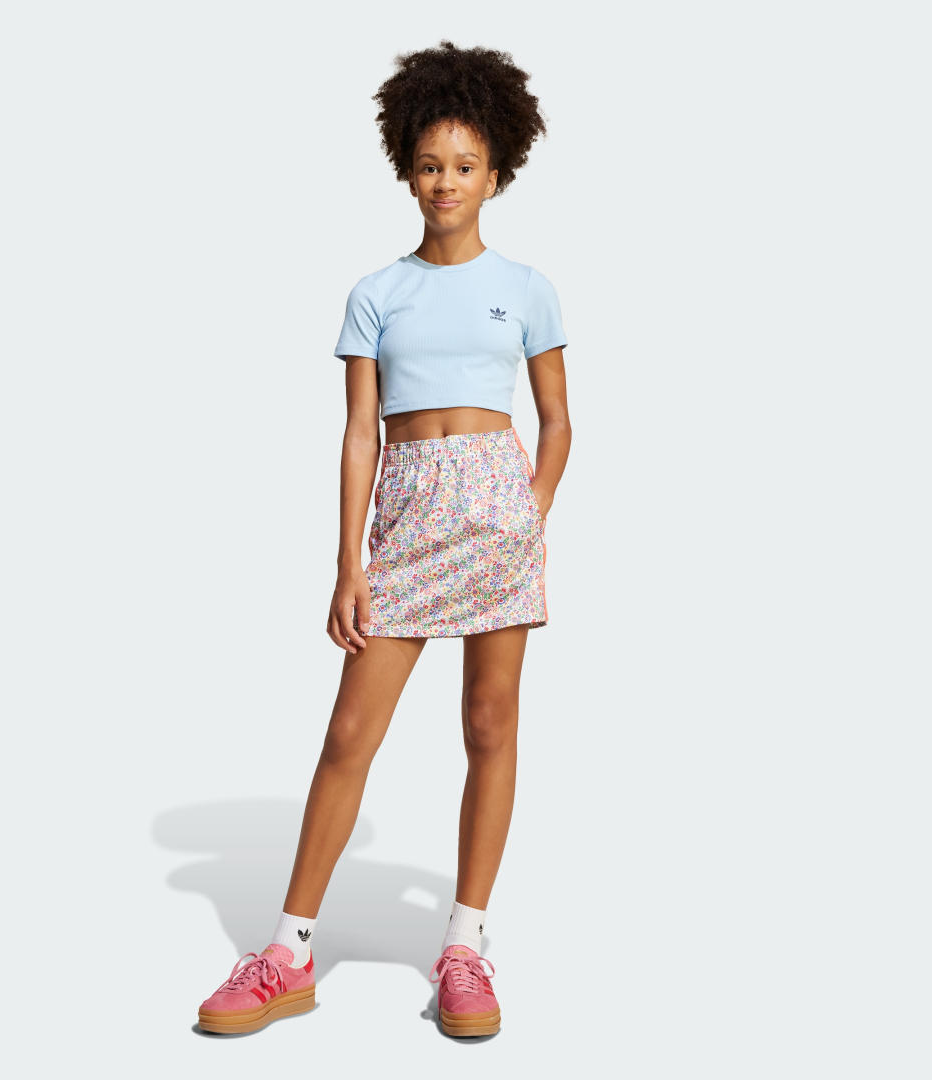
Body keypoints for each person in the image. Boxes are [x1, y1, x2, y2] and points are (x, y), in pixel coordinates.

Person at [197, 40, 572, 1040]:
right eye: (429, 164)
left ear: (496, 174)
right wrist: (348, 564)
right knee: (349, 734)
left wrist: (527, 512)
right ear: (406, 170)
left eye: (465, 165)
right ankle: (287, 953)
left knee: (489, 725)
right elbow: (361, 432)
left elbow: (557, 421)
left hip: (496, 517)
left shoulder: (529, 287)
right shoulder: (376, 292)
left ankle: (465, 945)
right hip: (405, 523)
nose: (446, 181)